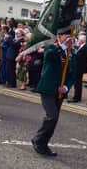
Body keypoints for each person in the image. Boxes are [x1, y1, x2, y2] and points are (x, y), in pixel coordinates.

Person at [31, 28, 76, 157]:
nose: (69, 38)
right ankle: (38, 140)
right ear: (59, 37)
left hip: (60, 92)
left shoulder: (72, 53)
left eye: (71, 36)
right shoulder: (51, 48)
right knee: (52, 116)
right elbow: (50, 56)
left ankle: (43, 144)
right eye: (67, 36)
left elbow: (73, 75)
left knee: (54, 120)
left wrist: (66, 87)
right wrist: (61, 46)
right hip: (48, 88)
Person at [68, 34, 87, 103]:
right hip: (78, 67)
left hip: (79, 68)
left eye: (79, 40)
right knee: (77, 83)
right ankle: (76, 96)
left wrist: (73, 52)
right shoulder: (81, 46)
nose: (78, 41)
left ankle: (76, 97)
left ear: (82, 41)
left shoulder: (85, 47)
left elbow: (80, 57)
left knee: (78, 83)